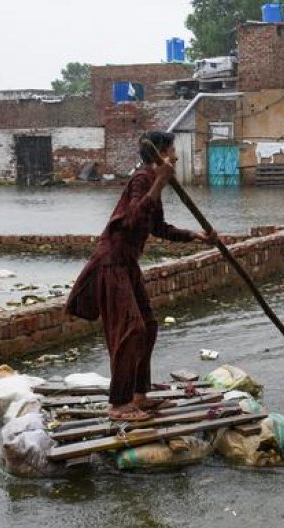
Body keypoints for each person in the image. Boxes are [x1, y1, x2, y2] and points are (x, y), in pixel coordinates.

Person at [65, 131, 216, 421]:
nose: (176, 156)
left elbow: (156, 227)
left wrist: (194, 236)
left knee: (148, 325)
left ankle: (139, 395)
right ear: (161, 152)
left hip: (128, 264)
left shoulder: (151, 183)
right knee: (130, 329)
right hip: (112, 263)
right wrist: (159, 182)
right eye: (172, 150)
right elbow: (132, 218)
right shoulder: (143, 180)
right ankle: (119, 405)